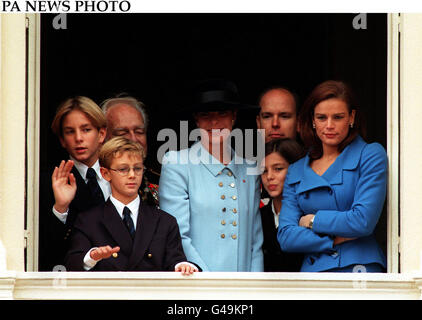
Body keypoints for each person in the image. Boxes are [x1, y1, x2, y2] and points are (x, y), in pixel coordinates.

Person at [278, 80, 387, 273]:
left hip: (359, 269)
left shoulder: (370, 155)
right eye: (321, 118)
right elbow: (286, 237)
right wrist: (334, 239)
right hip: (313, 273)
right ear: (312, 120)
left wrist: (313, 221)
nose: (329, 125)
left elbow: (362, 221)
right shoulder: (296, 170)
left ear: (351, 117)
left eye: (337, 117)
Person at [158, 79, 264, 272]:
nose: (214, 122)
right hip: (196, 283)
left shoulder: (249, 169)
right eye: (205, 115)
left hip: (243, 289)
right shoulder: (177, 163)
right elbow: (177, 234)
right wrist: (207, 282)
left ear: (234, 116)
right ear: (196, 119)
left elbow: (255, 242)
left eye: (222, 113)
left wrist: (253, 287)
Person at [65, 136, 198, 274]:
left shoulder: (165, 221)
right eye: (123, 169)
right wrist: (92, 257)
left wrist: (182, 266)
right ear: (105, 173)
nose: (132, 175)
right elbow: (72, 263)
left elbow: (175, 260)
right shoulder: (88, 221)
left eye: (137, 168)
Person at [39, 96, 110, 271]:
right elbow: (44, 249)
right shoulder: (50, 180)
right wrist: (60, 208)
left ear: (101, 134)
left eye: (86, 129)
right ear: (62, 140)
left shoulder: (120, 173)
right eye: (70, 132)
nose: (78, 138)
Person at [101, 95, 159, 206]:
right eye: (122, 133)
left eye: (139, 131)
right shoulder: (95, 185)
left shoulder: (160, 181)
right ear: (103, 137)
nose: (133, 139)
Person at [260, 138, 304, 272]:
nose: (269, 176)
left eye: (278, 169)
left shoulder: (309, 214)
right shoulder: (258, 216)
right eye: (264, 171)